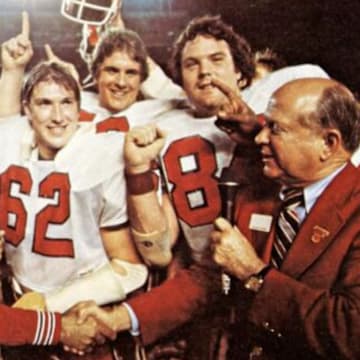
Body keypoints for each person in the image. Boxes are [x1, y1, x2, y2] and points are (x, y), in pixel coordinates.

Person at [78, 77, 360, 359]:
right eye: (264, 125)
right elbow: (210, 279)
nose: (260, 137)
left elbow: (351, 330)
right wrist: (118, 318)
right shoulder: (258, 194)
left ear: (328, 143)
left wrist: (255, 275)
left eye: (275, 129)